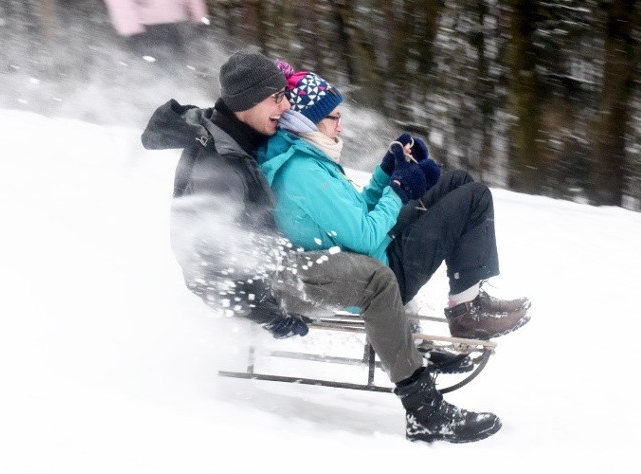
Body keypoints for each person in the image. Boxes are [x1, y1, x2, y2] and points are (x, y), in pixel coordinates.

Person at [141, 49, 501, 443]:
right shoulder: (219, 164)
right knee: (375, 278)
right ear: (246, 101)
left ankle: (411, 348)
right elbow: (204, 258)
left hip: (276, 258)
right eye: (276, 98)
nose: (285, 106)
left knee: (384, 249)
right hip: (268, 277)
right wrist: (266, 310)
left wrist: (386, 178)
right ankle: (424, 411)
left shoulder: (237, 133)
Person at [257, 64, 531, 340]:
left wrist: (386, 173)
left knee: (458, 181)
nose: (341, 125)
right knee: (475, 197)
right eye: (334, 117)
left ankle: (470, 298)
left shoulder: (310, 159)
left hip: (377, 250)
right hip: (382, 272)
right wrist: (397, 191)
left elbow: (356, 214)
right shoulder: (305, 174)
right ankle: (467, 314)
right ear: (309, 121)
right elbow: (362, 237)